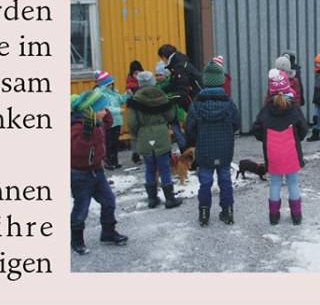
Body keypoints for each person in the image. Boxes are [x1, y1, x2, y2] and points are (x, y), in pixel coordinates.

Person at [70, 83, 128, 255]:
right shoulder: (78, 126)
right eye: (101, 109)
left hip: (97, 170)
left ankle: (108, 232)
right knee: (81, 209)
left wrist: (103, 109)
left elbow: (109, 121)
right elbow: (76, 152)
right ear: (90, 112)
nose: (105, 112)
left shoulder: (98, 122)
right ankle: (77, 240)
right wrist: (86, 135)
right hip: (80, 174)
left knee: (109, 200)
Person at [184, 60, 239, 225]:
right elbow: (236, 124)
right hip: (224, 149)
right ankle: (227, 212)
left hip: (205, 149)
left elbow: (190, 127)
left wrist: (199, 137)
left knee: (205, 182)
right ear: (221, 80)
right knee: (225, 180)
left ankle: (204, 213)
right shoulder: (228, 103)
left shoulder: (197, 104)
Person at [252, 67, 309, 226]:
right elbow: (304, 130)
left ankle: (274, 216)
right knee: (293, 183)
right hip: (291, 155)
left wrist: (266, 138)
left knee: (275, 184)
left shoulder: (265, 112)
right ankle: (296, 215)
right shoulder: (295, 110)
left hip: (273, 156)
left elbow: (256, 130)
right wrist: (296, 138)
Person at [123, 69, 183, 210]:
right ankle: (170, 199)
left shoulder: (135, 100)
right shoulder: (160, 96)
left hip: (144, 137)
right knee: (164, 169)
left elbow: (132, 123)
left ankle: (152, 199)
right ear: (152, 82)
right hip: (161, 135)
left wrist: (137, 133)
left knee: (149, 169)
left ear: (140, 83)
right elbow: (170, 115)